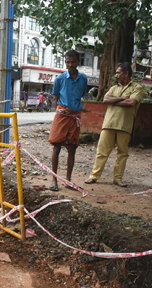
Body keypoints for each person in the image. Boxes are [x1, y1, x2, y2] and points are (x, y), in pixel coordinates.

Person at [85, 62, 144, 187]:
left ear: (126, 73)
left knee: (122, 153)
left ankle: (117, 179)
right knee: (102, 151)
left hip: (124, 125)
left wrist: (115, 100)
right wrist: (123, 98)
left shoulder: (137, 88)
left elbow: (132, 102)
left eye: (118, 72)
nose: (116, 75)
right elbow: (106, 100)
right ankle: (94, 176)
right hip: (109, 123)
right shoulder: (113, 88)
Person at [48, 50, 88, 191]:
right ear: (65, 62)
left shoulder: (83, 79)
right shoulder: (59, 79)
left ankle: (68, 181)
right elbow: (57, 98)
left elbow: (80, 96)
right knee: (56, 146)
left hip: (75, 116)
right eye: (68, 62)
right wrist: (63, 110)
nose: (70, 64)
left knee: (72, 148)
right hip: (62, 115)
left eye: (73, 62)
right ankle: (54, 180)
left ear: (78, 62)